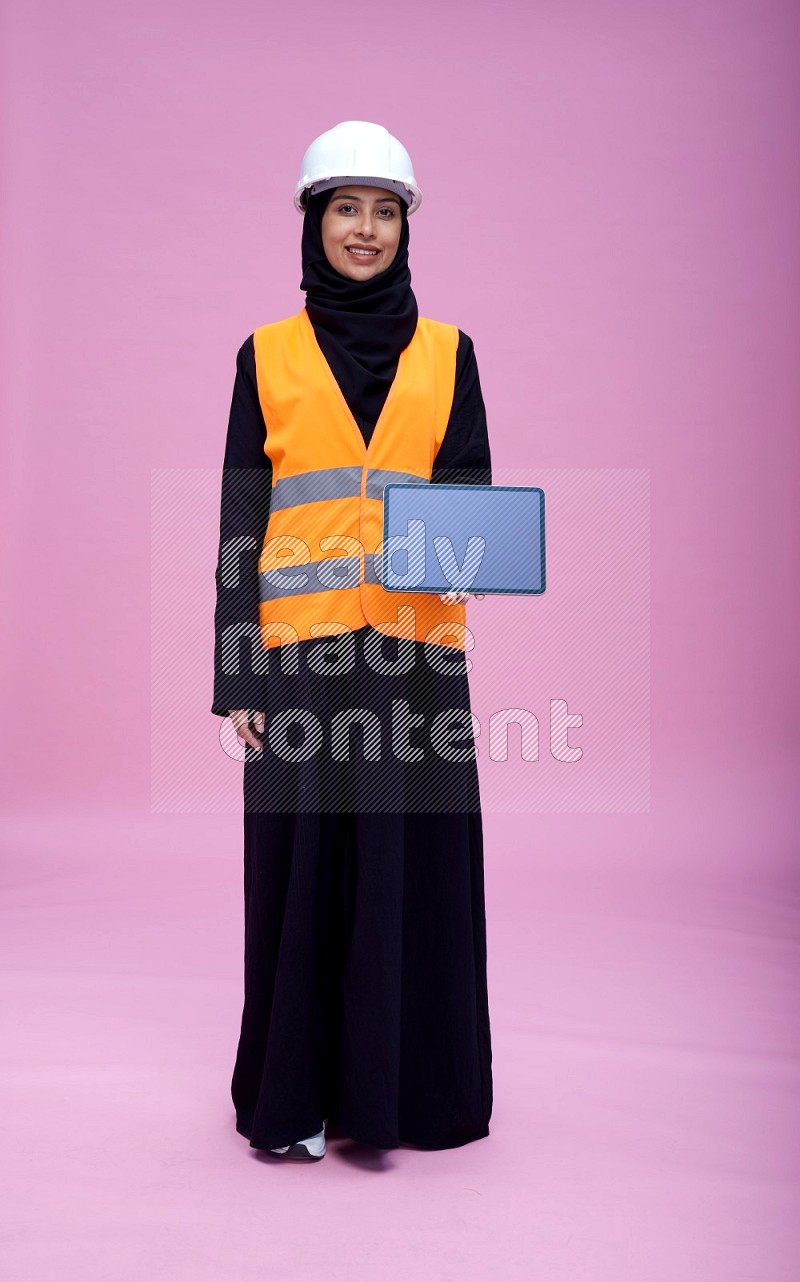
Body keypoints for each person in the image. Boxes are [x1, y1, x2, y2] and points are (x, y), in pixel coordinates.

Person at [211, 121, 493, 1160]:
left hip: (416, 661)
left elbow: (471, 501)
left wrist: (471, 548)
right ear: (312, 221)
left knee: (407, 872)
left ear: (404, 225)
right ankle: (295, 1101)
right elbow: (242, 525)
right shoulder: (267, 356)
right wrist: (233, 668)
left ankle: (408, 1100)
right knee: (299, 874)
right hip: (297, 663)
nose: (364, 229)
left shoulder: (450, 353)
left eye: (384, 209)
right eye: (345, 208)